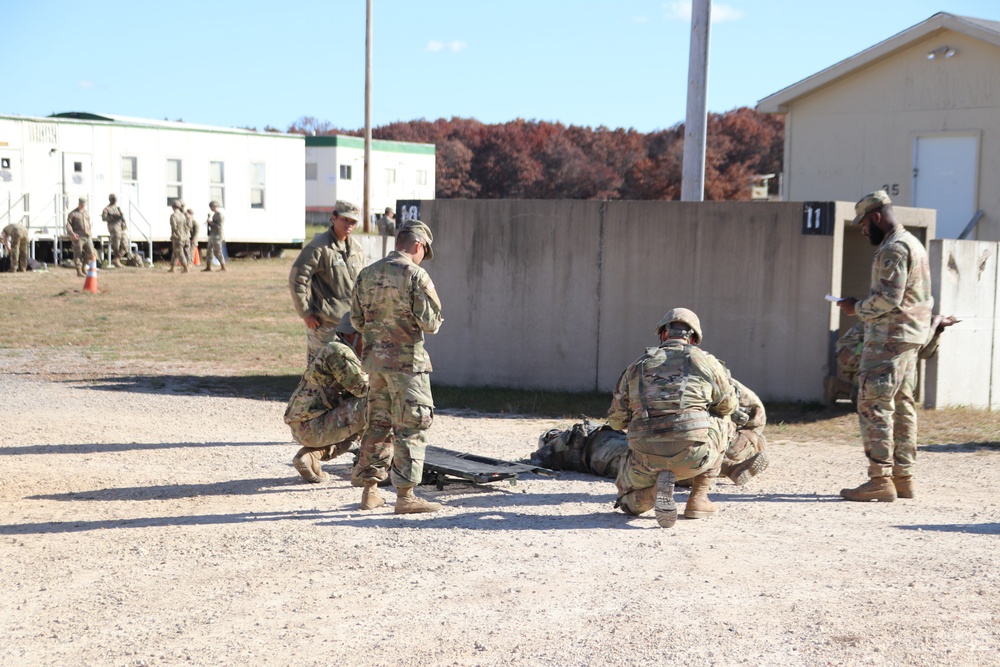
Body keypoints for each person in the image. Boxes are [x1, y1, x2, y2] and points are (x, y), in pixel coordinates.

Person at [836, 190, 933, 502]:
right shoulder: (914, 244)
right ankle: (903, 478)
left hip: (888, 340)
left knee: (874, 404)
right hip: (909, 339)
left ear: (876, 217)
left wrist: (856, 307)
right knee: (903, 406)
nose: (863, 230)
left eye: (864, 223)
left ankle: (880, 479)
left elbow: (888, 298)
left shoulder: (893, 249)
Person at [608, 308, 737, 528]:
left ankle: (653, 492)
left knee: (627, 503)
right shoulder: (707, 362)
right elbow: (728, 406)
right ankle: (698, 498)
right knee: (724, 421)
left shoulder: (637, 365)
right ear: (693, 338)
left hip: (644, 460)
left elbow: (616, 421)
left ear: (663, 335)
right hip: (694, 456)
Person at [350, 220, 443, 514]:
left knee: (377, 424)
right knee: (411, 426)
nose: (421, 257)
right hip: (407, 366)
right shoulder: (416, 275)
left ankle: (370, 492)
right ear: (418, 244)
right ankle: (405, 496)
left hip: (375, 364)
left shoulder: (367, 274)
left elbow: (356, 320)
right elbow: (431, 323)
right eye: (423, 251)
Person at [534, 379, 768, 487]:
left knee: (656, 463)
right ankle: (729, 466)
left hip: (609, 450)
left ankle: (730, 467)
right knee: (659, 464)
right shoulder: (560, 446)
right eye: (550, 435)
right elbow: (539, 458)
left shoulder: (575, 442)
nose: (554, 434)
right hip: (606, 453)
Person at [284, 313, 369, 483]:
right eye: (368, 336)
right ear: (351, 335)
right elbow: (364, 389)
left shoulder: (344, 353)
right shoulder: (339, 351)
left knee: (362, 425)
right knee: (379, 403)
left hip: (310, 425)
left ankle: (312, 456)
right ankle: (371, 468)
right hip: (313, 426)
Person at [288, 200, 364, 365]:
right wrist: (305, 313)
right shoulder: (319, 247)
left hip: (352, 327)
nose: (349, 224)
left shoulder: (356, 249)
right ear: (333, 218)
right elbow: (297, 279)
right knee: (320, 375)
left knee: (350, 375)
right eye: (345, 219)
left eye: (353, 221)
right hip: (326, 326)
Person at [826, 315, 959, 404]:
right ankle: (847, 388)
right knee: (874, 398)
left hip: (873, 351)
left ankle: (840, 387)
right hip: (850, 351)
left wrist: (937, 331)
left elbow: (924, 353)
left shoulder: (916, 324)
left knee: (878, 398)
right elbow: (911, 345)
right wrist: (934, 323)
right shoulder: (898, 318)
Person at [65, 197, 96, 278]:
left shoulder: (86, 213)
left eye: (84, 204)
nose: (83, 205)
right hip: (78, 236)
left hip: (87, 236)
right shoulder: (73, 213)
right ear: (79, 204)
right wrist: (72, 234)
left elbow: (88, 224)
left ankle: (84, 266)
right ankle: (79, 270)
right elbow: (68, 225)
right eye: (81, 204)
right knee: (78, 253)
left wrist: (90, 233)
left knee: (91, 253)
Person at [101, 194, 128, 268]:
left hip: (121, 228)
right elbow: (104, 218)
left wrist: (122, 220)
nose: (115, 200)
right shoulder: (107, 209)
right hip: (114, 229)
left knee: (125, 246)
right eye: (113, 199)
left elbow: (121, 217)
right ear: (110, 200)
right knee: (116, 246)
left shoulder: (118, 208)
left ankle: (116, 259)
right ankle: (117, 261)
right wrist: (113, 217)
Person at [203, 200, 227, 272]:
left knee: (217, 251)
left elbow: (219, 226)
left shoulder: (219, 215)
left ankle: (223, 266)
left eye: (211, 207)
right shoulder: (215, 215)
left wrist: (211, 222)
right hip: (213, 235)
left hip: (217, 235)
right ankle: (208, 266)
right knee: (209, 251)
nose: (210, 208)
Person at [168, 200, 190, 273]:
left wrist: (173, 234)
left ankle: (186, 268)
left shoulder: (173, 215)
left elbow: (174, 226)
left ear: (173, 207)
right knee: (175, 253)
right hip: (184, 235)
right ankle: (172, 268)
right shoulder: (183, 215)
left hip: (177, 236)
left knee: (179, 252)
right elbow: (187, 225)